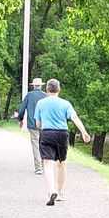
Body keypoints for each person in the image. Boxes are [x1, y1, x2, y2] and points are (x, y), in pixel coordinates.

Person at [34, 78, 90, 206]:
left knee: (47, 163)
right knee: (61, 163)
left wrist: (44, 125)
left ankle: (51, 190)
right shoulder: (66, 103)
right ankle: (59, 193)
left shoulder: (40, 103)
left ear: (47, 89)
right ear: (59, 90)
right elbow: (74, 117)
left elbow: (37, 124)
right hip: (62, 134)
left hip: (47, 133)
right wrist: (84, 132)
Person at [15, 77, 47, 175]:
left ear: (33, 86)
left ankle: (38, 168)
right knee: (44, 145)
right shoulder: (46, 96)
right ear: (41, 86)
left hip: (32, 124)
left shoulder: (29, 95)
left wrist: (20, 119)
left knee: (36, 145)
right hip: (45, 125)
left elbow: (22, 109)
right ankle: (45, 166)